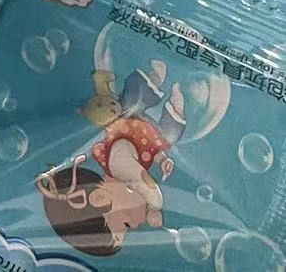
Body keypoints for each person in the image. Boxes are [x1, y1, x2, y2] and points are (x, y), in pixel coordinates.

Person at [38, 63, 186, 256]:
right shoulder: (126, 177)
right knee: (167, 134)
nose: (136, 224)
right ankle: (173, 106)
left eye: (126, 225)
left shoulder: (120, 166)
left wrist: (154, 207)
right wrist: (162, 159)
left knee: (133, 100)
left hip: (125, 125)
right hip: (143, 138)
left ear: (100, 197)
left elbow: (147, 185)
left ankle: (153, 77)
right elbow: (148, 151)